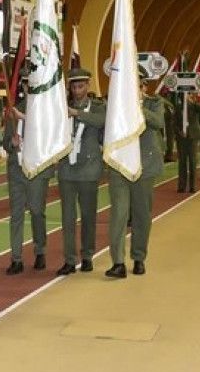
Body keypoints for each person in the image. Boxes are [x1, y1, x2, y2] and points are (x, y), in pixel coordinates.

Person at [106, 69, 164, 278]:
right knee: (119, 215)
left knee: (141, 215)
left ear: (143, 86)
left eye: (136, 85)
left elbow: (158, 123)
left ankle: (139, 257)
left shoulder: (154, 103)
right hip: (119, 165)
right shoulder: (113, 104)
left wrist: (138, 105)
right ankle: (118, 262)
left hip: (144, 165)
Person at [56, 68, 106, 275]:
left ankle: (87, 256)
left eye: (81, 86)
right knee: (67, 218)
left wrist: (77, 113)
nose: (77, 91)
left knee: (87, 216)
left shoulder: (97, 107)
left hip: (88, 171)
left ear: (88, 86)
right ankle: (69, 259)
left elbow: (102, 121)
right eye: (74, 87)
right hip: (67, 170)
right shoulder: (61, 107)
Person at [2, 77, 53, 275]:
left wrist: (24, 117)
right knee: (16, 215)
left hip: (38, 170)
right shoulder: (13, 112)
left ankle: (40, 250)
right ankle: (16, 258)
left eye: (33, 83)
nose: (29, 87)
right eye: (26, 84)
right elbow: (5, 142)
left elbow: (49, 135)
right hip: (16, 170)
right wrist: (12, 144)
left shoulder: (46, 110)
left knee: (37, 212)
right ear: (23, 86)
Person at [174, 91, 200, 193]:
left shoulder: (194, 105)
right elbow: (175, 122)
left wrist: (192, 102)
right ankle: (181, 186)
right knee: (182, 162)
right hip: (182, 138)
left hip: (192, 137)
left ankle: (192, 186)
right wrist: (179, 132)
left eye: (190, 94)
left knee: (192, 161)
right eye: (186, 94)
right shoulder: (179, 107)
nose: (188, 95)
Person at [162, 92, 176, 162]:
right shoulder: (164, 103)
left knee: (170, 139)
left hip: (169, 122)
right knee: (164, 138)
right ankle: (164, 154)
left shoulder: (170, 103)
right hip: (163, 122)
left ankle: (169, 154)